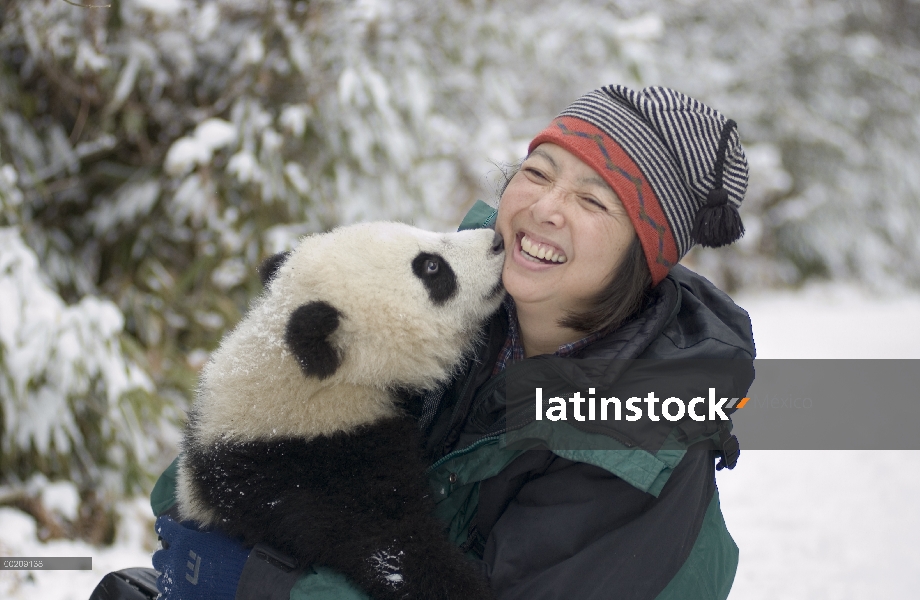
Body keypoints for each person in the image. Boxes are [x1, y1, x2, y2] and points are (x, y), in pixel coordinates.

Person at [142, 84, 755, 600]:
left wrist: (261, 584)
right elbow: (233, 453)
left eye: (593, 201)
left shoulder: (641, 444)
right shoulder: (459, 310)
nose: (545, 207)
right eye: (536, 173)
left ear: (643, 260)